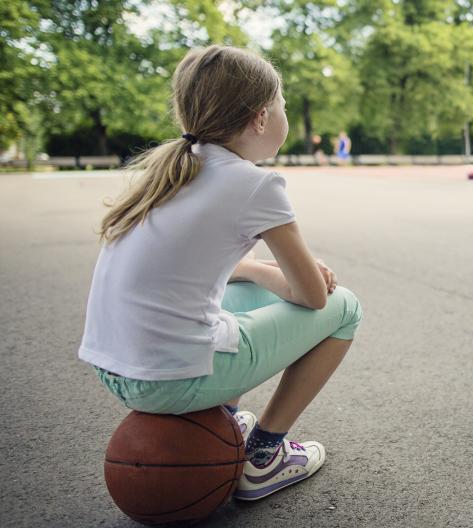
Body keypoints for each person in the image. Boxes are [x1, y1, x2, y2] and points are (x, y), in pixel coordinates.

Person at [78, 46, 362, 501]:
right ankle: (265, 457)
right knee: (345, 308)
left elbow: (181, 272)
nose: (285, 115)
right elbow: (314, 298)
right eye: (283, 106)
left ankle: (225, 415)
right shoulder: (256, 184)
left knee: (258, 291)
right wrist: (296, 280)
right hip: (169, 380)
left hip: (114, 367)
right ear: (261, 118)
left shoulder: (169, 168)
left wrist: (264, 274)